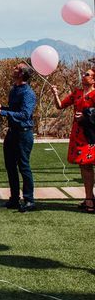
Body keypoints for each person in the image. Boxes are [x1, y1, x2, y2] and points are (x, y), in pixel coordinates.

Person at [0, 62, 37, 212]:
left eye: (16, 68)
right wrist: (2, 108)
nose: (13, 68)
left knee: (23, 166)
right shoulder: (14, 90)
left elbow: (24, 115)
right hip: (12, 133)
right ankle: (14, 198)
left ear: (22, 74)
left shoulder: (28, 93)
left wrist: (3, 113)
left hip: (24, 133)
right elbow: (14, 110)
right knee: (10, 166)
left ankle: (29, 200)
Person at [51, 69, 95, 213]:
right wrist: (55, 94)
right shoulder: (76, 92)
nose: (84, 76)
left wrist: (85, 117)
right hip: (78, 134)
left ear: (94, 79)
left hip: (91, 135)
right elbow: (60, 106)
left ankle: (90, 200)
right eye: (84, 74)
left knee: (87, 165)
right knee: (83, 166)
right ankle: (89, 197)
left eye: (87, 75)